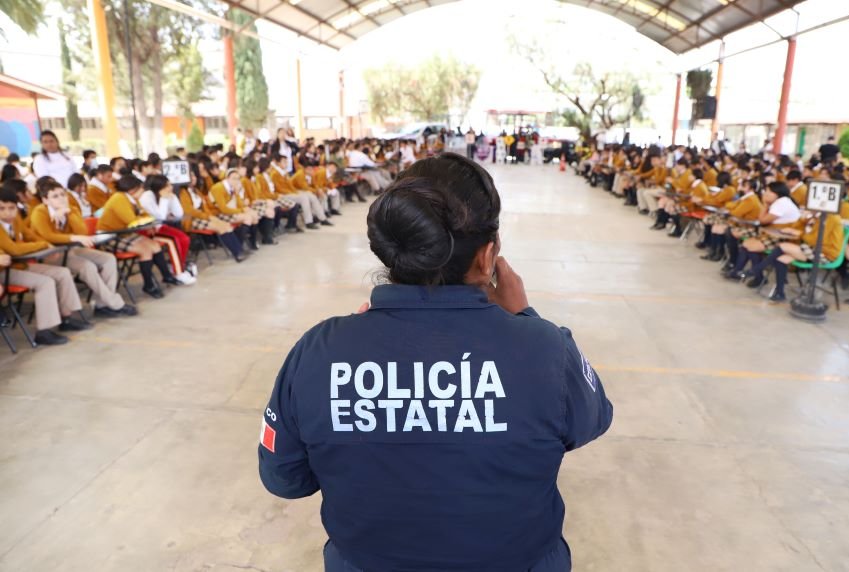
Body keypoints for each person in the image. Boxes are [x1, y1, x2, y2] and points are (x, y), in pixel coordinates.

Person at [258, 152, 613, 572]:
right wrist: (524, 321)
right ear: (488, 257)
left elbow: (285, 479)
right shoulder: (547, 350)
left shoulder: (317, 351)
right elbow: (592, 420)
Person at [30, 177, 137, 317]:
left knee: (109, 259)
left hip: (70, 250)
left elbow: (82, 232)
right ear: (45, 200)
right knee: (87, 266)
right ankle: (114, 303)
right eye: (55, 196)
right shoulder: (39, 212)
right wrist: (74, 237)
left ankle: (102, 304)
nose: (61, 199)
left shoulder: (72, 209)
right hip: (50, 254)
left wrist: (69, 213)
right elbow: (48, 236)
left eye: (63, 194)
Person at [0, 188, 90, 344]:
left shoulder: (16, 221)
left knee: (62, 273)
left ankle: (66, 318)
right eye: (2, 209)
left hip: (19, 265)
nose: (8, 213)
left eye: (12, 208)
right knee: (45, 282)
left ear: (17, 207)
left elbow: (30, 235)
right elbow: (13, 249)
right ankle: (44, 332)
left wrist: (48, 245)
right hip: (4, 271)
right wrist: (42, 244)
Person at [97, 174, 176, 299]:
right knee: (145, 250)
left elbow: (144, 214)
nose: (143, 192)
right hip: (110, 237)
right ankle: (148, 285)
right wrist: (145, 220)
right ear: (133, 190)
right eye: (141, 189)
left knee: (155, 245)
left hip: (124, 234)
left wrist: (146, 221)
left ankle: (167, 276)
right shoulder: (119, 198)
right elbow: (132, 220)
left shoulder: (132, 199)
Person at [139, 174, 197, 284]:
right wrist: (164, 200)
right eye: (167, 185)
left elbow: (178, 214)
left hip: (160, 227)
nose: (170, 187)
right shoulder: (147, 197)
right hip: (148, 229)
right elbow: (159, 217)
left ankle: (178, 265)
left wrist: (173, 197)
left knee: (184, 239)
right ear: (159, 187)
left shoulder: (165, 194)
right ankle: (178, 272)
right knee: (173, 241)